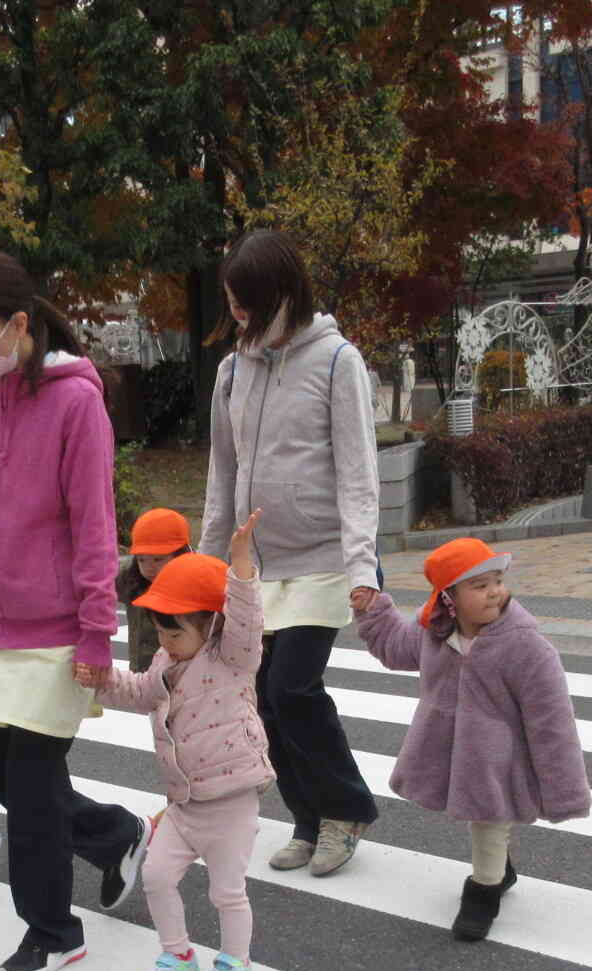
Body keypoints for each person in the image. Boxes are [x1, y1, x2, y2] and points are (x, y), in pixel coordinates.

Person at [0, 250, 152, 971]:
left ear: (19, 324)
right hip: (1, 626)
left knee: (27, 792)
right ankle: (114, 833)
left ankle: (53, 929)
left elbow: (94, 525)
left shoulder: (75, 401)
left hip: (59, 628)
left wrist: (97, 631)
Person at [199, 228, 381, 879]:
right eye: (233, 304)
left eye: (247, 304)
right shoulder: (231, 371)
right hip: (257, 568)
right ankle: (309, 820)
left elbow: (359, 473)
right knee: (265, 701)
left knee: (293, 686)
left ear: (283, 293)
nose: (239, 317)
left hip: (323, 558)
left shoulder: (337, 361)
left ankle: (347, 808)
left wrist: (363, 566)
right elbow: (222, 475)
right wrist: (205, 570)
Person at [352, 538, 592, 942]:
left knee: (487, 819)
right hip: (451, 749)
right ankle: (501, 870)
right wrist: (373, 611)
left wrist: (563, 790)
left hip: (498, 759)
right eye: (479, 585)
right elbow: (395, 647)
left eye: (497, 580)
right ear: (449, 597)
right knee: (482, 816)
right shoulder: (434, 634)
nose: (495, 591)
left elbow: (553, 723)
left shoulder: (526, 647)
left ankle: (484, 890)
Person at [97, 512, 271, 971]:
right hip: (183, 801)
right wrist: (100, 679)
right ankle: (177, 956)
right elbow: (138, 692)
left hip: (230, 802)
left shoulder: (232, 658)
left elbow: (246, 621)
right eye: (160, 633)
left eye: (174, 633)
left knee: (226, 893)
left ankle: (237, 964)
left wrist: (239, 568)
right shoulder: (165, 661)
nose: (165, 643)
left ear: (210, 625)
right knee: (154, 876)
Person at [117, 507, 193, 674]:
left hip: (185, 676)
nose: (149, 567)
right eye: (142, 559)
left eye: (158, 559)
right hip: (142, 674)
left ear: (181, 554)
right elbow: (100, 583)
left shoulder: (195, 584)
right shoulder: (132, 579)